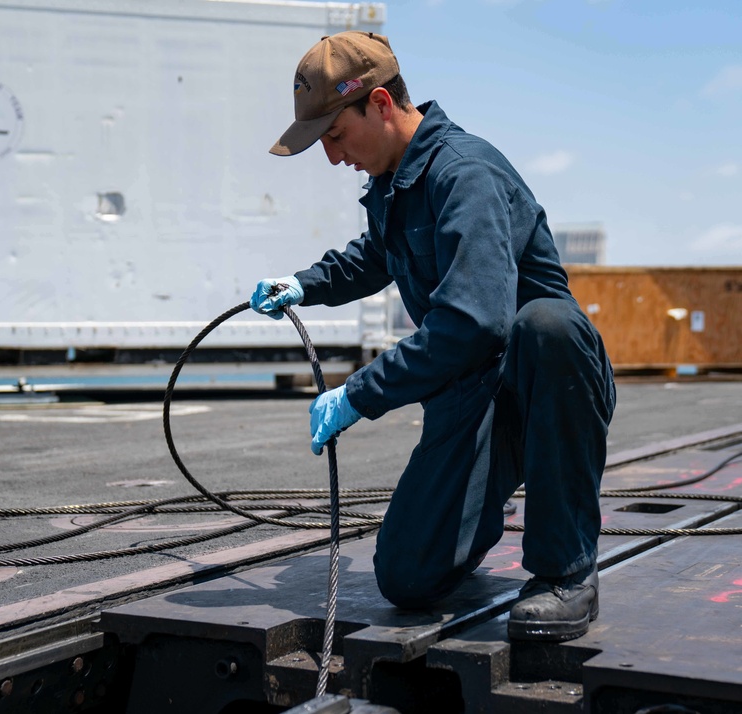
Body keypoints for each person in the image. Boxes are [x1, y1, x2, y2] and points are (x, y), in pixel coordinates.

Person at [250, 31, 616, 642]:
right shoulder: (398, 185)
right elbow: (378, 254)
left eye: (335, 136)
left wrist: (359, 394)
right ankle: (493, 482)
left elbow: (474, 322)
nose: (332, 157)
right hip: (474, 391)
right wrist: (303, 284)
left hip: (545, 382)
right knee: (405, 578)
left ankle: (566, 573)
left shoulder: (464, 173)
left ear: (382, 105)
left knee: (545, 324)